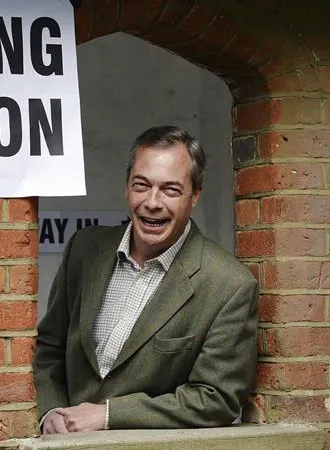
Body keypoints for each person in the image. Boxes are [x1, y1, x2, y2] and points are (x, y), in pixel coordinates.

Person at [32, 125, 259, 434]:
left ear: (195, 195)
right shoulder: (84, 250)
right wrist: (50, 411)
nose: (152, 202)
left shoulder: (229, 285)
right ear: (127, 187)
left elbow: (215, 398)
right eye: (142, 185)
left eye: (171, 189)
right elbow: (49, 348)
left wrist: (108, 415)